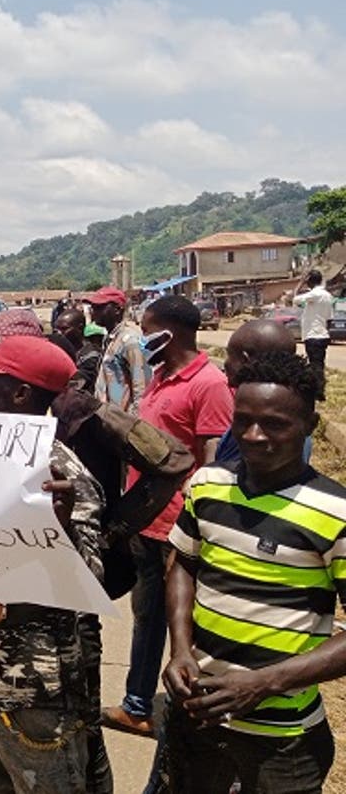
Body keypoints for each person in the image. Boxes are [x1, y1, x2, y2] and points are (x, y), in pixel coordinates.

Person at [164, 352, 344, 792]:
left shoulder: (335, 512)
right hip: (197, 715)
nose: (253, 435)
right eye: (241, 421)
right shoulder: (208, 485)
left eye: (274, 424)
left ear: (310, 426)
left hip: (283, 740)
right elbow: (184, 563)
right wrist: (180, 650)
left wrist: (264, 683)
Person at [0, 336, 104, 794]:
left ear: (20, 395)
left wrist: (60, 533)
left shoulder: (63, 475)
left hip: (36, 687)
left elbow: (90, 580)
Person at [102, 295, 233, 739]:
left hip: (180, 526)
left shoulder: (209, 384)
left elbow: (213, 462)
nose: (140, 337)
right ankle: (137, 705)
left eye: (147, 328)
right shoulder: (159, 377)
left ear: (168, 333)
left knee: (187, 625)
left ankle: (195, 713)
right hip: (146, 520)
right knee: (147, 618)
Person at [215, 318, 300, 464]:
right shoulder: (293, 419)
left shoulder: (253, 434)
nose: (225, 364)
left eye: (229, 355)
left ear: (246, 360)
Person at [85, 285, 151, 415]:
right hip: (107, 418)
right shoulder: (109, 339)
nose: (94, 311)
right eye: (93, 307)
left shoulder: (131, 341)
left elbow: (141, 388)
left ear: (117, 309)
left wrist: (132, 425)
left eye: (100, 307)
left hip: (122, 422)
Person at [293, 269, 333, 396]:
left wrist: (300, 283)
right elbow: (329, 319)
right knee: (319, 364)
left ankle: (318, 391)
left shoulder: (314, 295)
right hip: (322, 335)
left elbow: (295, 298)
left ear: (309, 281)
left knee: (315, 365)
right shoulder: (328, 295)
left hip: (313, 335)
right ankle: (320, 389)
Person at [55, 308, 99, 393]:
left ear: (80, 328)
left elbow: (78, 384)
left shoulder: (91, 355)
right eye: (57, 329)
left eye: (64, 329)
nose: (59, 333)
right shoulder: (64, 351)